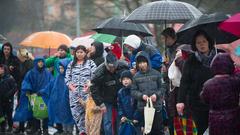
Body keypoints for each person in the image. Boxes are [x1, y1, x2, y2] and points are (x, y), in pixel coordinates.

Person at [176, 30, 219, 135]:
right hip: (197, 103)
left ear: (209, 41)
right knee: (200, 130)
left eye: (204, 41)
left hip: (217, 102)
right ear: (195, 45)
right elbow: (184, 82)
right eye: (198, 42)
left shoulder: (219, 56)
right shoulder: (191, 61)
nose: (202, 44)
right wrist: (180, 101)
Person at [200, 53, 240, 135]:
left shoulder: (208, 84)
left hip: (215, 119)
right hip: (234, 117)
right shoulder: (235, 81)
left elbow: (204, 99)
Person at [90, 52, 129, 135]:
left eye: (114, 67)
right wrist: (100, 103)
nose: (112, 69)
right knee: (108, 122)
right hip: (106, 99)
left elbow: (130, 78)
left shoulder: (124, 66)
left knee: (121, 119)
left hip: (120, 97)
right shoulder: (98, 72)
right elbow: (93, 88)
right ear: (106, 64)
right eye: (110, 67)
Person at [13, 57, 53, 134]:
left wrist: (44, 91)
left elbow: (51, 83)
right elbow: (26, 81)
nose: (41, 63)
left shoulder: (47, 73)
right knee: (35, 112)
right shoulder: (30, 73)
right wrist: (28, 89)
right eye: (39, 62)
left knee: (46, 112)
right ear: (35, 63)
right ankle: (36, 128)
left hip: (45, 95)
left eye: (42, 62)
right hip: (34, 96)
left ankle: (45, 129)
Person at [131, 51, 165, 135]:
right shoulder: (136, 76)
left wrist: (156, 95)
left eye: (144, 62)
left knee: (158, 129)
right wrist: (141, 96)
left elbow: (163, 87)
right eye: (140, 63)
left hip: (156, 106)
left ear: (148, 62)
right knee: (147, 130)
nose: (142, 64)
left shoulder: (156, 73)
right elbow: (133, 91)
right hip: (143, 108)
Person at [65, 45, 97, 135]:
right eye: (77, 52)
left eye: (81, 52)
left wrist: (89, 86)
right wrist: (71, 87)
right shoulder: (71, 64)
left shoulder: (90, 63)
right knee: (76, 115)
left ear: (85, 53)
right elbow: (67, 78)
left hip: (87, 94)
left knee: (88, 114)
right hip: (74, 95)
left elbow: (94, 76)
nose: (79, 54)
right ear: (75, 53)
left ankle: (89, 132)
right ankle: (82, 131)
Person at [39, 58, 75, 135]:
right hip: (60, 103)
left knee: (69, 118)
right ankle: (65, 131)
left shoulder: (71, 78)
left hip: (68, 103)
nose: (61, 70)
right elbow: (50, 86)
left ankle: (69, 132)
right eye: (60, 68)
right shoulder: (58, 77)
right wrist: (42, 91)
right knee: (63, 117)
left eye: (62, 68)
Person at [13, 48, 34, 134]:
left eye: (19, 56)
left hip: (28, 89)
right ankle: (21, 127)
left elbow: (28, 77)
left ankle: (29, 126)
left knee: (29, 108)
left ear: (22, 56)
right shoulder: (20, 63)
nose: (18, 58)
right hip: (21, 88)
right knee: (22, 107)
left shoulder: (30, 63)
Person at [117, 70, 140, 135]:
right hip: (125, 120)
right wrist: (122, 116)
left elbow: (138, 105)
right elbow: (119, 106)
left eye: (127, 79)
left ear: (131, 79)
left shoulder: (135, 91)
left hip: (135, 120)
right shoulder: (120, 92)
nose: (125, 81)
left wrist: (136, 117)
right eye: (123, 79)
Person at [0, 64, 17, 133]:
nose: (0, 70)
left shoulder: (10, 78)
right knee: (1, 115)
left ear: (4, 70)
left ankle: (10, 127)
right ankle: (2, 127)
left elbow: (14, 88)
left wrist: (8, 95)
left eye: (1, 69)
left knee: (9, 114)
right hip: (1, 100)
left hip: (8, 100)